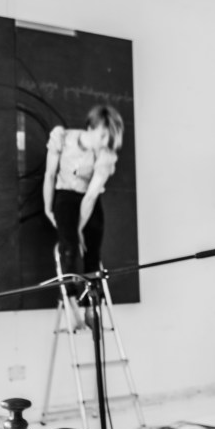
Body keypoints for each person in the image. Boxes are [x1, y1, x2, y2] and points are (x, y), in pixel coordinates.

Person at [42, 105, 124, 323]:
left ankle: (91, 306)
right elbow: (50, 175)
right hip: (65, 196)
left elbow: (90, 196)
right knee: (69, 248)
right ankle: (71, 301)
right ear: (91, 127)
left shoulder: (106, 155)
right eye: (103, 135)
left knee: (92, 251)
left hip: (89, 200)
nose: (105, 142)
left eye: (109, 138)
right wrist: (48, 207)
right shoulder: (62, 138)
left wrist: (80, 227)